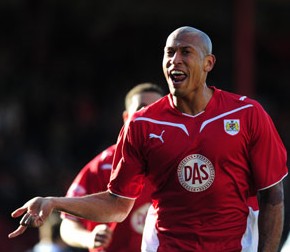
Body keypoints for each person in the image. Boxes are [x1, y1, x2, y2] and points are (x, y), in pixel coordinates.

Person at [8, 26, 288, 252]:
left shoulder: (247, 114)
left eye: (185, 52)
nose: (174, 60)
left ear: (208, 63)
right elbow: (117, 205)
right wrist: (54, 202)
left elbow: (272, 195)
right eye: (169, 53)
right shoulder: (142, 124)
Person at [59, 83, 165, 252]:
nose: (149, 116)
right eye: (142, 109)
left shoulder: (177, 162)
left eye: (157, 110)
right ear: (126, 118)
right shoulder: (104, 166)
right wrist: (88, 238)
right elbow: (68, 224)